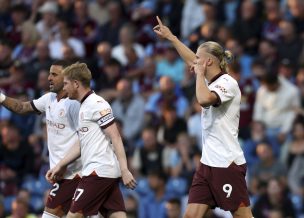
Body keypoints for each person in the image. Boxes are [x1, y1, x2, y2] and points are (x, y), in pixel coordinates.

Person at [153, 16, 253, 217]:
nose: (194, 62)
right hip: (207, 164)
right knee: (190, 215)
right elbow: (191, 60)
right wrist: (172, 38)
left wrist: (199, 75)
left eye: (199, 59)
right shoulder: (210, 78)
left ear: (208, 61)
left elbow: (205, 99)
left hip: (227, 163)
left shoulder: (228, 83)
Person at [46, 62, 136, 218]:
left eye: (66, 83)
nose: (64, 88)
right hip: (103, 172)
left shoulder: (97, 104)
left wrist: (125, 170)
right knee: (117, 215)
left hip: (98, 172)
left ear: (76, 84)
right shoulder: (84, 106)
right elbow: (82, 143)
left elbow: (115, 136)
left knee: (73, 216)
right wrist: (61, 165)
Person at [0, 60, 82, 218]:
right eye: (49, 74)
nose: (49, 78)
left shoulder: (75, 105)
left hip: (78, 174)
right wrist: (1, 97)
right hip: (62, 177)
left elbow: (85, 140)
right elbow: (22, 107)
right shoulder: (49, 98)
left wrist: (63, 165)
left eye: (54, 74)